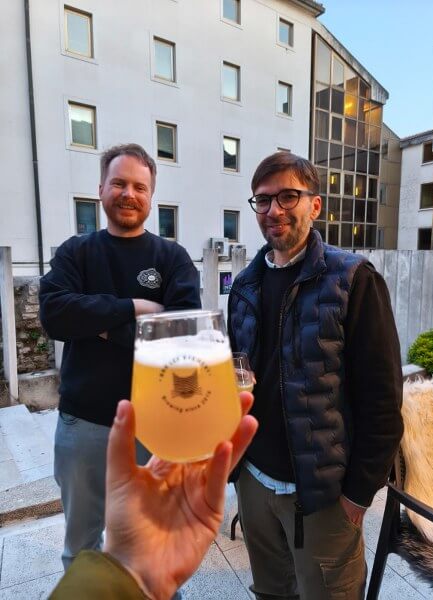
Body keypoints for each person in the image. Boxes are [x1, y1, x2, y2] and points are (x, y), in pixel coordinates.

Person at [227, 152, 404, 600]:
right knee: (271, 593)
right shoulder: (244, 286)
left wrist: (358, 496)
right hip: (253, 483)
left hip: (324, 495)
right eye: (263, 200)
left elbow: (383, 401)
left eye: (288, 196)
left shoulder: (354, 279)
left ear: (315, 205)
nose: (274, 210)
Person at [39, 144, 201, 571]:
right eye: (119, 184)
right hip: (84, 424)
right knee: (82, 546)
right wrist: (134, 307)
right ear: (101, 189)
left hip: (155, 427)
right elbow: (55, 315)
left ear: (151, 196)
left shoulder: (171, 258)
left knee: (152, 543)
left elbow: (182, 334)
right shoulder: (76, 252)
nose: (129, 194)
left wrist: (99, 325)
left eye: (139, 187)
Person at [49, 393, 258, 599]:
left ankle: (154, 585)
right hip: (85, 408)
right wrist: (132, 571)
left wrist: (136, 573)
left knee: (160, 541)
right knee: (80, 543)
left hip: (154, 412)